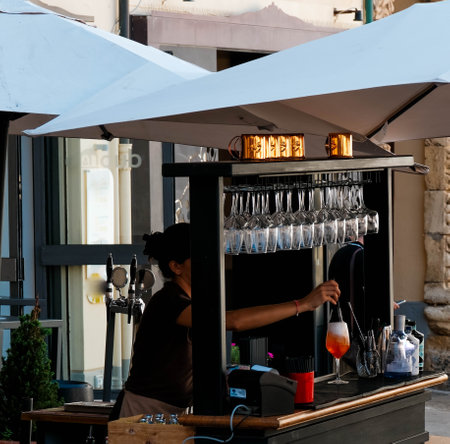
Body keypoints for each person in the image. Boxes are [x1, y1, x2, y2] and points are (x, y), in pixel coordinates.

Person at [118, 222, 341, 418]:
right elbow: (231, 321)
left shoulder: (195, 300)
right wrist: (302, 305)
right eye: (200, 254)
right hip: (144, 412)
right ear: (176, 267)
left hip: (177, 411)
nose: (210, 259)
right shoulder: (168, 301)